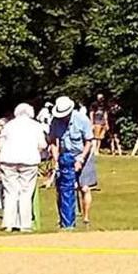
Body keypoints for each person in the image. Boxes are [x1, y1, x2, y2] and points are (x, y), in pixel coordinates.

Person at [0, 104, 45, 232]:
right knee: (26, 193)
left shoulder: (9, 125)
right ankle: (25, 224)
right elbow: (43, 144)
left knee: (10, 192)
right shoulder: (36, 126)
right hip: (29, 161)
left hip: (8, 160)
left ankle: (8, 223)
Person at [50, 96, 93, 229]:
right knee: (62, 189)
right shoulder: (55, 121)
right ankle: (64, 219)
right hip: (65, 156)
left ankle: (85, 217)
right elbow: (53, 141)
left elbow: (89, 142)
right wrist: (56, 160)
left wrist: (80, 159)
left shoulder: (82, 119)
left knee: (84, 187)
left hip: (83, 154)